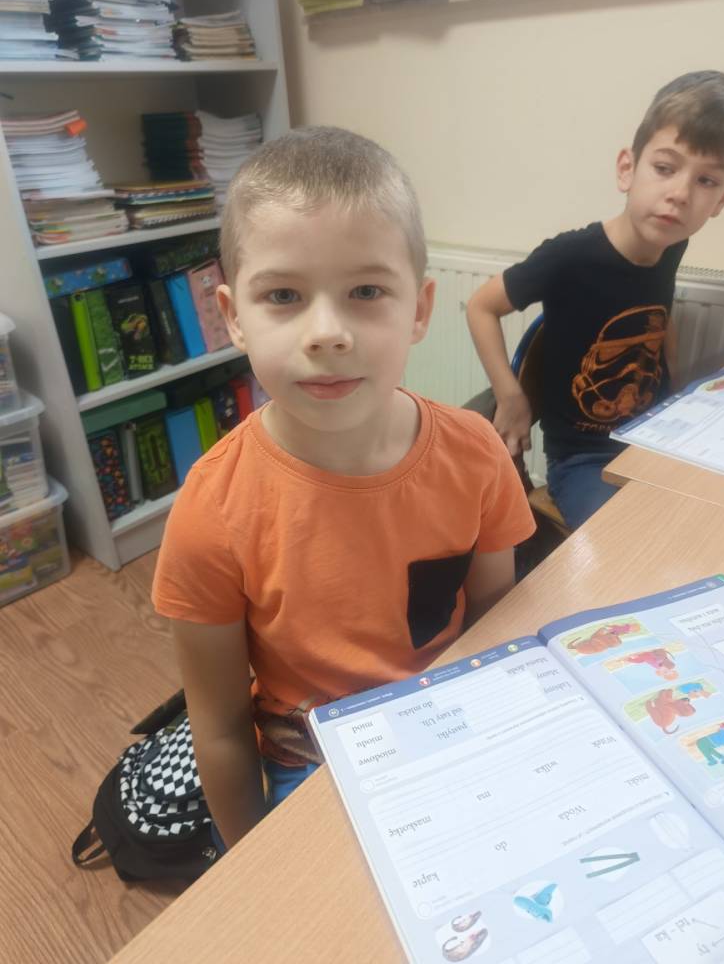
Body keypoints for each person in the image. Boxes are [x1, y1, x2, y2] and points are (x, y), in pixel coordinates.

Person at [151, 127, 536, 851]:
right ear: (233, 317)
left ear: (418, 308)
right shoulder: (213, 508)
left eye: (365, 291)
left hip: (452, 720)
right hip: (313, 758)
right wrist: (254, 866)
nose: (326, 333)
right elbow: (221, 726)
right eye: (283, 295)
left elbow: (495, 629)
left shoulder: (476, 455)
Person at [466, 71, 724, 528]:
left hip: (654, 437)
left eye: (706, 181)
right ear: (627, 169)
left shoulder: (671, 243)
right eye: (665, 168)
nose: (680, 194)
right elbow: (481, 306)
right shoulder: (570, 256)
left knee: (719, 520)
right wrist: (511, 395)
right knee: (629, 543)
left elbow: (658, 314)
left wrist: (677, 387)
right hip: (584, 457)